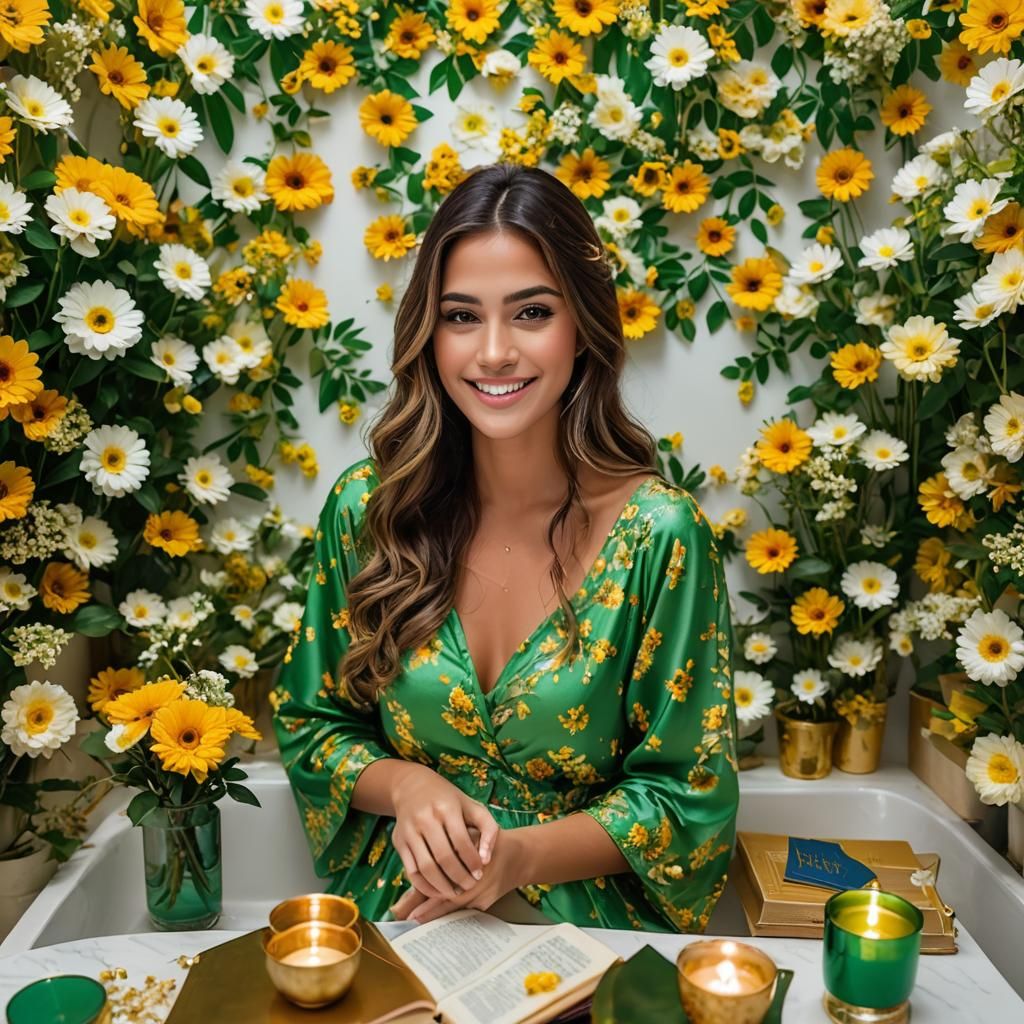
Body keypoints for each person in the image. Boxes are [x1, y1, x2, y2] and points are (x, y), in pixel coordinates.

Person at [272, 162, 739, 933]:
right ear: (429, 331)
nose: (493, 352)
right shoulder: (369, 508)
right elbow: (313, 721)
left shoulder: (660, 535)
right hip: (403, 923)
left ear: (583, 326)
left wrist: (518, 859)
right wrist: (407, 787)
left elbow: (687, 794)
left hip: (588, 942)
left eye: (530, 313)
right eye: (461, 316)